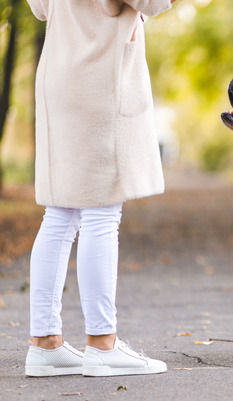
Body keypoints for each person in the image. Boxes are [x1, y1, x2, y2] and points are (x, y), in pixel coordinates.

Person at [24, 0, 175, 377]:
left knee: (60, 213)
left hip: (59, 76)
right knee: (101, 212)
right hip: (98, 77)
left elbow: (41, 9)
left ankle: (45, 344)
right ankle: (102, 343)